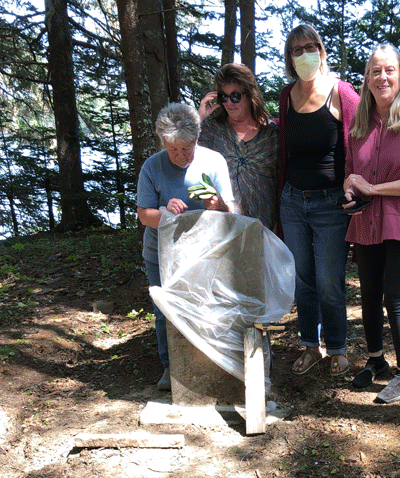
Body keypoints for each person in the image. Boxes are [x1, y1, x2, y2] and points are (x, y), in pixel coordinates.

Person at [343, 44, 400, 404]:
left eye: (390, 70)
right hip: (367, 221)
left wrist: (373, 188)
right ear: (367, 79)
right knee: (367, 296)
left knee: (394, 297)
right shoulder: (360, 122)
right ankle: (376, 361)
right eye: (376, 71)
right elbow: (351, 175)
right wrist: (351, 193)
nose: (382, 77)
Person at [278, 24, 359, 376]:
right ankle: (310, 346)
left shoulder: (342, 92)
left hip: (330, 204)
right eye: (297, 50)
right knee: (303, 281)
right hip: (293, 202)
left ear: (321, 51)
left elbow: (362, 143)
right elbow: (280, 144)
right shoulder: (286, 96)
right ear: (290, 58)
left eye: (311, 47)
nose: (305, 54)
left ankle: (337, 348)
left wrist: (356, 192)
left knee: (329, 281)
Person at [137, 103, 235, 391]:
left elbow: (230, 212)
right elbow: (144, 215)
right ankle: (171, 367)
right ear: (163, 144)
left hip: (204, 251)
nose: (180, 156)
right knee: (165, 310)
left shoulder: (214, 162)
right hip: (161, 253)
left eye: (186, 149)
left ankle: (210, 362)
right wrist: (164, 212)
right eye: (173, 150)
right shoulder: (153, 167)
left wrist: (218, 204)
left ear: (197, 138)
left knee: (207, 305)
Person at [198, 63, 279, 230]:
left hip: (264, 230)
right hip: (221, 230)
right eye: (224, 97)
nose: (229, 103)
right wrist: (198, 120)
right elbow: (180, 154)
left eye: (235, 96)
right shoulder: (211, 129)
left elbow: (283, 179)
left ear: (250, 95)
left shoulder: (271, 133)